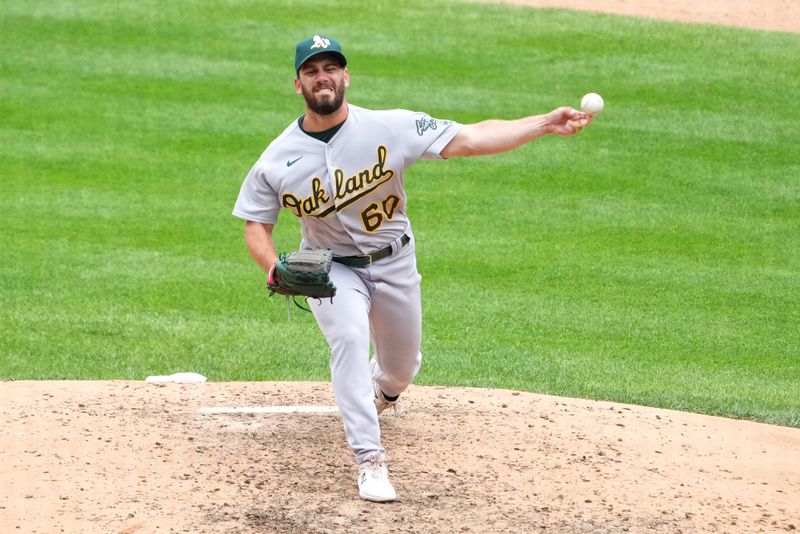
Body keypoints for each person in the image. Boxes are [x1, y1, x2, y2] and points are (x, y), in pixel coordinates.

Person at [232, 34, 593, 502]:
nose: (323, 77)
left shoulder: (390, 127)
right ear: (297, 83)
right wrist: (273, 268)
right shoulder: (277, 158)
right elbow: (255, 225)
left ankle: (383, 394)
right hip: (332, 270)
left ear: (346, 76)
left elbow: (471, 138)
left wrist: (545, 122)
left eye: (331, 68)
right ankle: (370, 459)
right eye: (311, 71)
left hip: (395, 261)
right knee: (348, 337)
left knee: (401, 368)